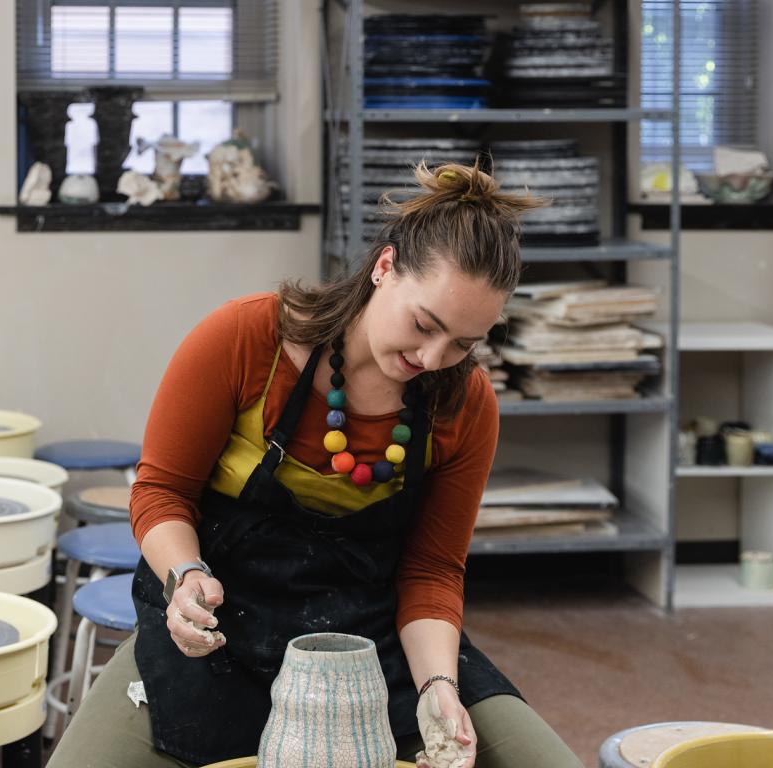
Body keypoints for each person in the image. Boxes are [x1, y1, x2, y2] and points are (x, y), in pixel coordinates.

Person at [49, 162, 585, 768]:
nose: (434, 357)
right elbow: (160, 494)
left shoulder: (464, 401)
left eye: (463, 343)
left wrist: (440, 687)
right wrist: (185, 578)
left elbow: (432, 569)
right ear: (384, 268)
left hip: (368, 635)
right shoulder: (248, 338)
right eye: (424, 325)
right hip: (218, 624)